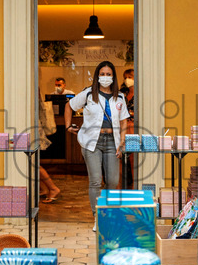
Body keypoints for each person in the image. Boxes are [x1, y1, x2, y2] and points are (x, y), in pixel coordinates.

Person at [66, 61, 130, 230]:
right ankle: (98, 217)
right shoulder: (88, 93)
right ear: (97, 76)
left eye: (109, 74)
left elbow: (124, 121)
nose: (105, 77)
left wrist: (122, 142)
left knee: (113, 180)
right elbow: (69, 106)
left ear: (113, 77)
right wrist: (68, 126)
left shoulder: (120, 97)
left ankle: (107, 213)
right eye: (102, 74)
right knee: (95, 181)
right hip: (91, 141)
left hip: (112, 142)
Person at [37, 92, 61, 203]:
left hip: (33, 128)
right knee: (33, 162)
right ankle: (44, 189)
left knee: (32, 163)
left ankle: (53, 188)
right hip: (35, 126)